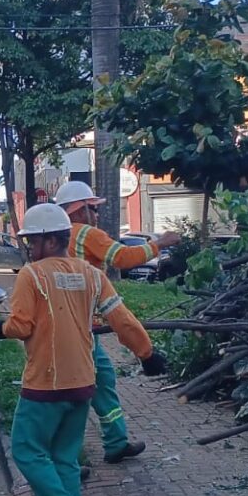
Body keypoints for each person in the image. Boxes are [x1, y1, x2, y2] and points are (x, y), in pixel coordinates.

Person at [0, 203, 164, 496]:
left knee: (26, 450)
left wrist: (0, 328)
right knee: (64, 457)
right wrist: (147, 353)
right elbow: (122, 319)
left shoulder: (32, 275)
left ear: (52, 241)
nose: (30, 248)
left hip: (45, 383)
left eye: (34, 241)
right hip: (83, 382)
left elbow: (20, 326)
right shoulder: (92, 275)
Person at [54, 181, 180, 465]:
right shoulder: (85, 234)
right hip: (82, 327)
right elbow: (122, 258)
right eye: (94, 209)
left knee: (102, 379)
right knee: (78, 392)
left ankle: (115, 442)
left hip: (71, 324)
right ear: (80, 210)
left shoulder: (57, 238)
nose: (97, 215)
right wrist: (159, 244)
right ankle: (68, 460)